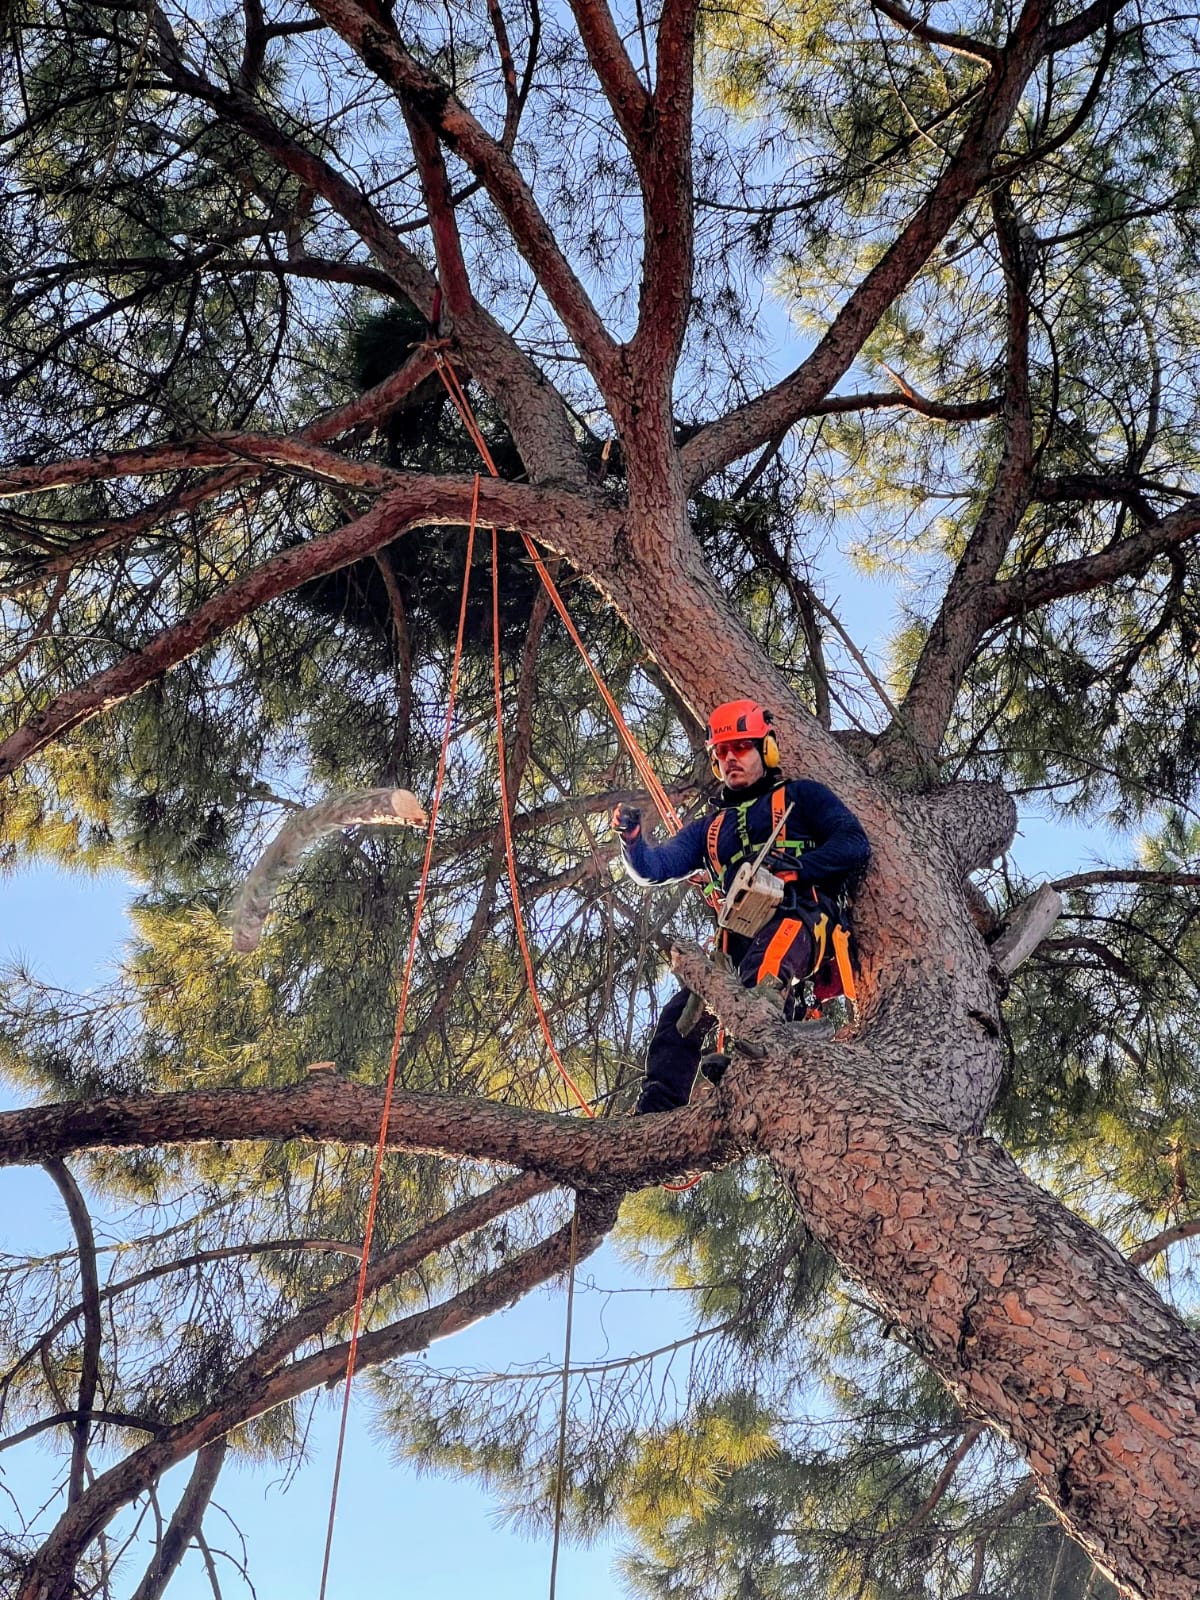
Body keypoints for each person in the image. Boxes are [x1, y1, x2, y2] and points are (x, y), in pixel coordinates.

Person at [612, 699, 871, 1115]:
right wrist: (633, 842)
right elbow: (655, 868)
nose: (730, 759)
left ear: (765, 751)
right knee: (681, 1013)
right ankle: (656, 1109)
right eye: (722, 753)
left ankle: (756, 1056)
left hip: (799, 916)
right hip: (735, 938)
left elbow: (853, 843)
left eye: (741, 748)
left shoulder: (802, 797)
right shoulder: (709, 830)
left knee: (768, 965)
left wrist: (800, 869)